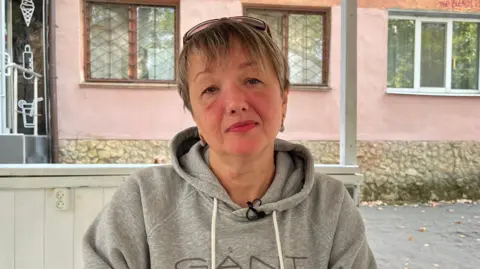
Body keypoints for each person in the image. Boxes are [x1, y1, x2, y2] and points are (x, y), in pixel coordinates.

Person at [83, 16, 377, 269]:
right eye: (210, 88)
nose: (235, 103)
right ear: (194, 114)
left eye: (252, 80)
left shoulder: (330, 205)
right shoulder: (143, 200)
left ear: (284, 100)